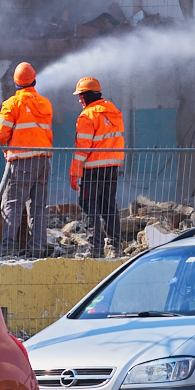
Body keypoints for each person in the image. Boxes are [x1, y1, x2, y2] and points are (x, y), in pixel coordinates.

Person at [0, 62, 54, 254]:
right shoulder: (45, 103)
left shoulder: (12, 104)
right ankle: (38, 248)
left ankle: (8, 248)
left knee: (12, 203)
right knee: (38, 206)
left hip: (22, 161)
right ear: (34, 80)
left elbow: (0, 135)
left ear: (16, 83)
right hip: (43, 160)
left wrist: (7, 148)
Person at [69, 75, 125, 257]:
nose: (79, 99)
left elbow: (82, 149)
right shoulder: (113, 112)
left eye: (81, 95)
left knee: (88, 206)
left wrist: (74, 172)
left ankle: (95, 249)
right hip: (112, 167)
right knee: (109, 206)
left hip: (92, 169)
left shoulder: (88, 115)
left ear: (89, 95)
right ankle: (115, 247)